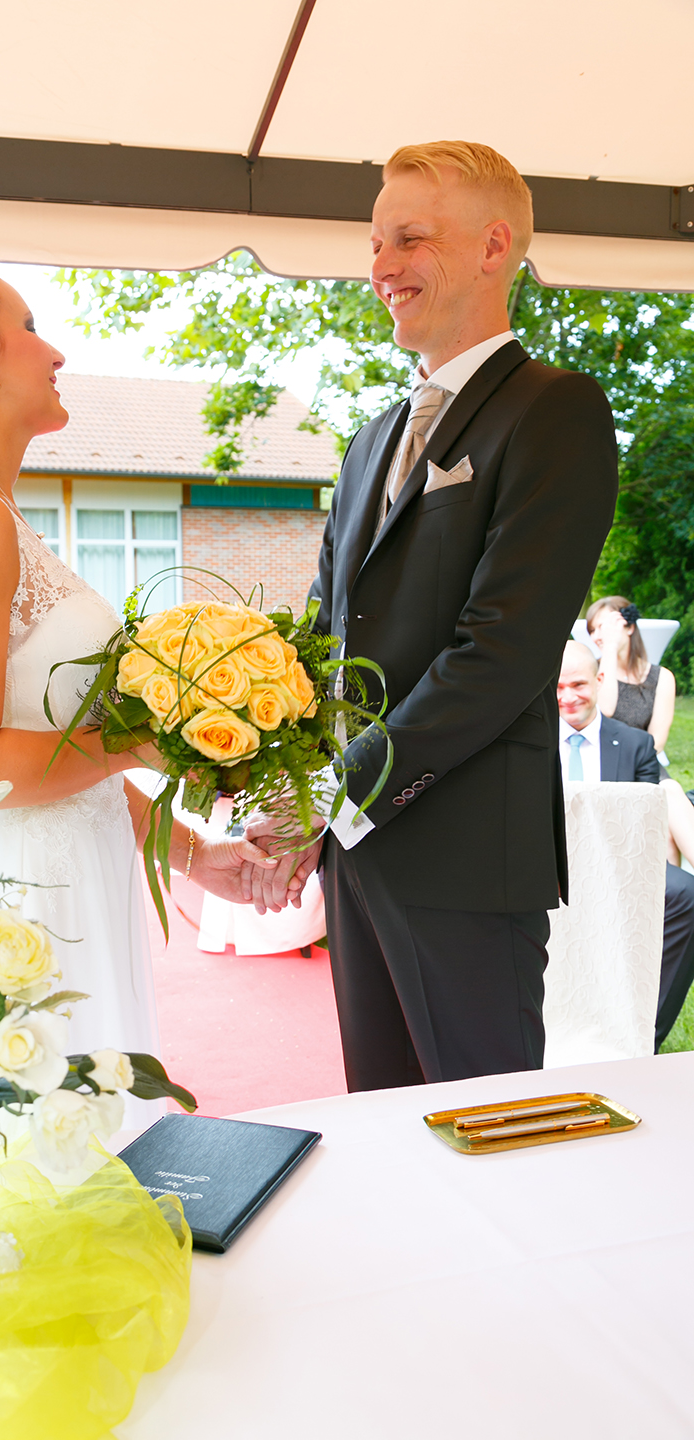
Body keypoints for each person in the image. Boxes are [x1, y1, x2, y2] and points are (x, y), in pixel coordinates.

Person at [0, 257, 275, 1119]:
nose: (56, 353)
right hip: (29, 905)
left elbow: (54, 754)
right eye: (32, 327)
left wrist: (197, 857)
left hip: (67, 879)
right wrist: (143, 740)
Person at [246, 141, 619, 1091]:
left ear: (494, 247)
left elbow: (501, 653)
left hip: (466, 862)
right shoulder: (372, 439)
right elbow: (326, 637)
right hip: (355, 857)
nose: (381, 266)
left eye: (410, 238)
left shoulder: (555, 410)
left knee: (491, 1132)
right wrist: (279, 775)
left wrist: (334, 795)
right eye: (376, 243)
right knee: (382, 1122)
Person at [558, 641, 694, 1049]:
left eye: (578, 685)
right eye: (558, 687)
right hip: (550, 866)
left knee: (685, 893)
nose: (568, 697)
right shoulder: (533, 744)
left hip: (620, 866)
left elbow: (645, 827)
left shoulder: (635, 744)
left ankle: (642, 1036)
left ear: (600, 680)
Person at [586, 597, 676, 758]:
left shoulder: (662, 677)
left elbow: (657, 742)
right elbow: (605, 709)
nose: (596, 636)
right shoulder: (588, 671)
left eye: (604, 627)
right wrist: (610, 647)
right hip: (598, 759)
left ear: (629, 628)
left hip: (642, 759)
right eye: (592, 630)